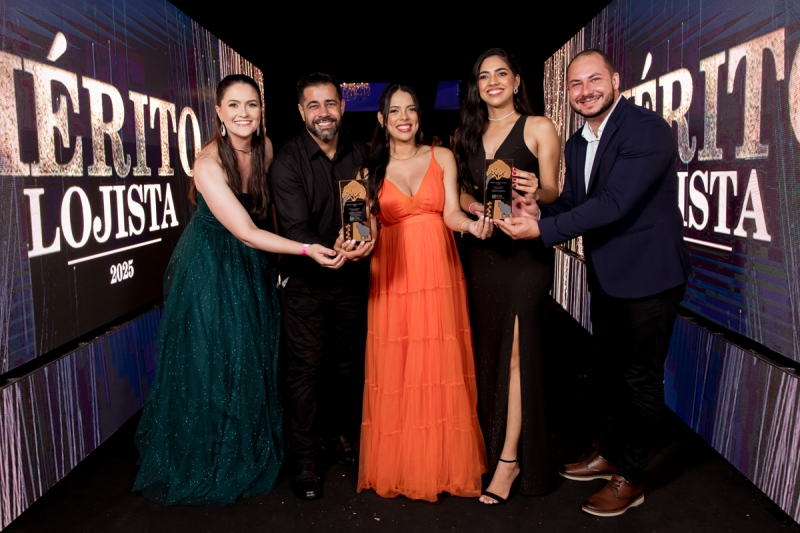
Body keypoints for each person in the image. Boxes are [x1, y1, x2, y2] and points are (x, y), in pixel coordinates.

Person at [493, 49, 692, 517]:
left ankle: (632, 476)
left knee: (640, 380)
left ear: (615, 80)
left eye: (594, 80)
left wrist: (541, 230)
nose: (586, 91)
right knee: (610, 372)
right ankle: (609, 453)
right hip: (608, 275)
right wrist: (539, 210)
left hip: (650, 276)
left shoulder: (646, 129)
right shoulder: (580, 141)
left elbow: (615, 204)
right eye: (576, 84)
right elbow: (579, 202)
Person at [132, 75, 342, 506]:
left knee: (252, 355)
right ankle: (213, 458)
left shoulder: (265, 148)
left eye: (252, 104)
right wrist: (306, 250)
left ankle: (248, 448)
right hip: (213, 265)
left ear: (262, 110)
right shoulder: (208, 164)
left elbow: (270, 215)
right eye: (233, 105)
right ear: (219, 112)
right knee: (216, 359)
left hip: (254, 262)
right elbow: (246, 230)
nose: (244, 113)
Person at [357, 84, 490, 502]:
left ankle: (443, 465)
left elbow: (450, 212)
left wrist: (471, 226)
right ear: (381, 119)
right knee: (397, 365)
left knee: (439, 360)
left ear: (419, 116)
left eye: (411, 109)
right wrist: (352, 242)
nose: (404, 117)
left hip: (437, 271)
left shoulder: (442, 156)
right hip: (393, 274)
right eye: (395, 111)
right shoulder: (369, 172)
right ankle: (402, 464)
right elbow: (365, 230)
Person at [454, 48, 561, 505]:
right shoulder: (467, 133)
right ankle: (491, 443)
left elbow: (554, 190)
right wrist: (476, 210)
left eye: (502, 73)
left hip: (525, 256)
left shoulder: (538, 126)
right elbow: (461, 192)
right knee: (490, 351)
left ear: (517, 81)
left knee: (517, 352)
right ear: (477, 86)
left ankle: (510, 460)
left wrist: (539, 190)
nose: (493, 81)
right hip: (483, 254)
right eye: (485, 76)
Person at [271, 73, 374, 500]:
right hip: (306, 284)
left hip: (351, 279)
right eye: (313, 105)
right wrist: (330, 249)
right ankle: (304, 461)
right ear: (301, 112)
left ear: (342, 107)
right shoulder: (287, 162)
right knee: (306, 371)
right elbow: (295, 228)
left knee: (347, 367)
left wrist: (367, 241)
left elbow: (369, 213)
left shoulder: (361, 153)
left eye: (330, 103)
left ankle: (336, 437)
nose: (323, 113)